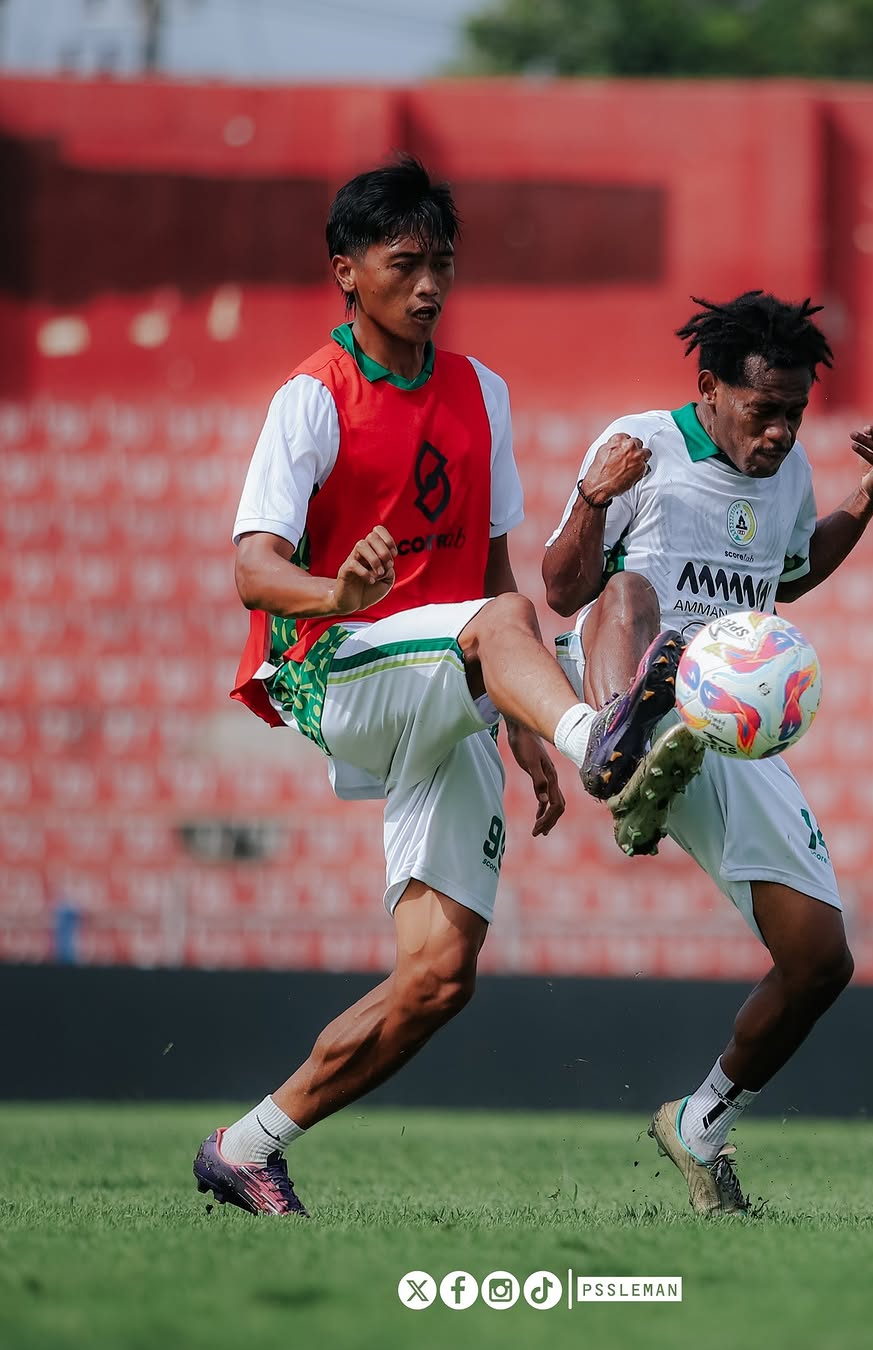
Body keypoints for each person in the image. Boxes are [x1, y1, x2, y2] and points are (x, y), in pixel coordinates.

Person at [193, 156, 680, 1216]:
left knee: (438, 981)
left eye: (441, 264)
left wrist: (522, 726)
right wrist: (335, 587)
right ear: (346, 272)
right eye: (403, 263)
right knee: (508, 633)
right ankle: (606, 733)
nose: (428, 285)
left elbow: (495, 578)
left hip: (449, 672)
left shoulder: (480, 393)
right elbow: (249, 569)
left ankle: (248, 1144)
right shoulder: (310, 399)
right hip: (336, 670)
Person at [543, 291, 873, 1214]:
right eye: (764, 411)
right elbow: (561, 588)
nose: (782, 431)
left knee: (821, 958)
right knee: (631, 593)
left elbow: (793, 573)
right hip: (625, 672)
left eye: (794, 413)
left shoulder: (788, 475)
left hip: (727, 716)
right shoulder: (640, 446)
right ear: (710, 388)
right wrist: (594, 499)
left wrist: (865, 499)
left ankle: (701, 1121)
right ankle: (619, 752)